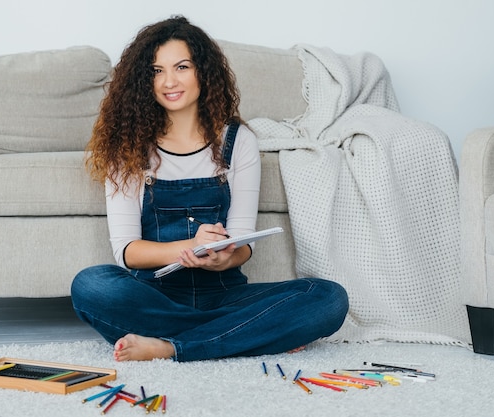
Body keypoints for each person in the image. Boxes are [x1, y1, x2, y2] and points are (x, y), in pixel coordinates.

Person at [70, 15, 348, 362]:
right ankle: (244, 334)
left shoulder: (238, 141)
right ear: (143, 81)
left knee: (328, 297)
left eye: (182, 66)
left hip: (224, 293)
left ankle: (170, 345)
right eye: (156, 71)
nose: (169, 81)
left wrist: (222, 259)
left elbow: (243, 242)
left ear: (203, 71)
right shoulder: (126, 146)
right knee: (90, 285)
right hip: (155, 297)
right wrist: (190, 246)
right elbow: (127, 251)